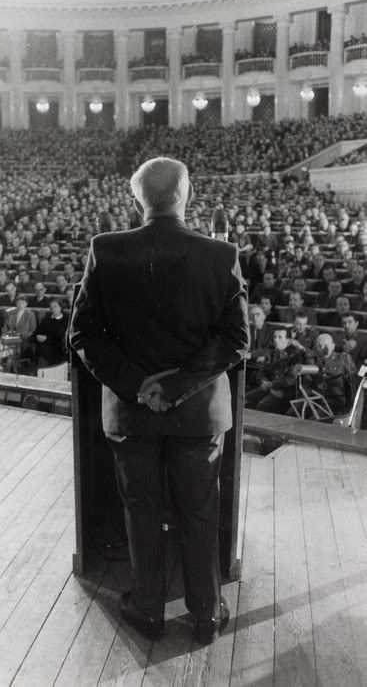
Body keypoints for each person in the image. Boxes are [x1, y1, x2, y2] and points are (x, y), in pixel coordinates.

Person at [70, 157, 249, 645]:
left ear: (138, 199)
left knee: (140, 508)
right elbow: (238, 340)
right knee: (200, 510)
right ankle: (206, 615)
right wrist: (176, 386)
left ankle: (147, 610)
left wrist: (138, 386)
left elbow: (81, 334)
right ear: (185, 195)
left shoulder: (105, 250)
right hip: (198, 413)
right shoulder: (220, 253)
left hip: (131, 413)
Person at [245, 327, 302, 413]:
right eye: (274, 337)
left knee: (263, 406)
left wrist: (271, 385)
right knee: (243, 399)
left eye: (280, 337)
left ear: (288, 340)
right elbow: (261, 374)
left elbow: (291, 380)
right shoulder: (270, 354)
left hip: (283, 392)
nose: (276, 340)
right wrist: (266, 384)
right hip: (268, 388)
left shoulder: (295, 356)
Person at [33, 298, 69, 368]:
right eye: (51, 307)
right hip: (45, 344)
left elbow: (61, 335)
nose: (53, 309)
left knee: (47, 351)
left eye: (55, 306)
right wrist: (38, 336)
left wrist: (47, 338)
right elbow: (38, 331)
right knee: (41, 349)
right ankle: (42, 371)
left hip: (59, 345)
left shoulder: (66, 320)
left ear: (60, 307)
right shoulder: (46, 319)